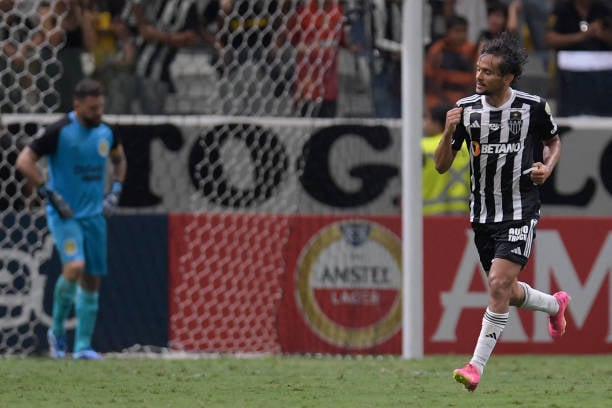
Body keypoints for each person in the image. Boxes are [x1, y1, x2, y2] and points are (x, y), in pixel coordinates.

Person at [433, 32, 570, 391]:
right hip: (482, 214)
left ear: (507, 78)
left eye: (488, 73)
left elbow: (554, 141)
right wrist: (448, 132)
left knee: (497, 284)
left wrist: (548, 166)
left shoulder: (533, 107)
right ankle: (555, 307)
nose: (479, 77)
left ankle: (475, 367)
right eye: (478, 69)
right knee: (505, 292)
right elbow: (441, 167)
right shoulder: (465, 111)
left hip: (520, 209)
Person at [15, 78, 127, 360]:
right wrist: (46, 191)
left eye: (100, 107)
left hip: (95, 216)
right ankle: (57, 333)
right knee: (75, 265)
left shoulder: (107, 131)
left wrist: (115, 190)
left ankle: (82, 348)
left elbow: (119, 160)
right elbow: (24, 160)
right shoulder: (58, 131)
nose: (98, 113)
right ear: (77, 106)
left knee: (92, 279)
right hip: (65, 214)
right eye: (92, 108)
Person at [545, 0, 612, 116]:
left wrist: (600, 34)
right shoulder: (562, 9)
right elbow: (550, 39)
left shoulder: (604, 9)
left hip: (603, 70)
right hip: (569, 70)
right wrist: (582, 36)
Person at [422, 103, 470, 215]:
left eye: (427, 118)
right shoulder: (466, 145)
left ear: (437, 123)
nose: (425, 123)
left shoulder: (423, 146)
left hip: (430, 211)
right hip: (463, 209)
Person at [424, 15, 477, 112]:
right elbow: (429, 78)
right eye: (457, 31)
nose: (461, 35)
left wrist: (464, 100)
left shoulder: (471, 51)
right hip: (438, 103)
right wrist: (445, 100)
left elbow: (476, 79)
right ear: (448, 32)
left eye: (464, 31)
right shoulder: (437, 50)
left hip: (464, 103)